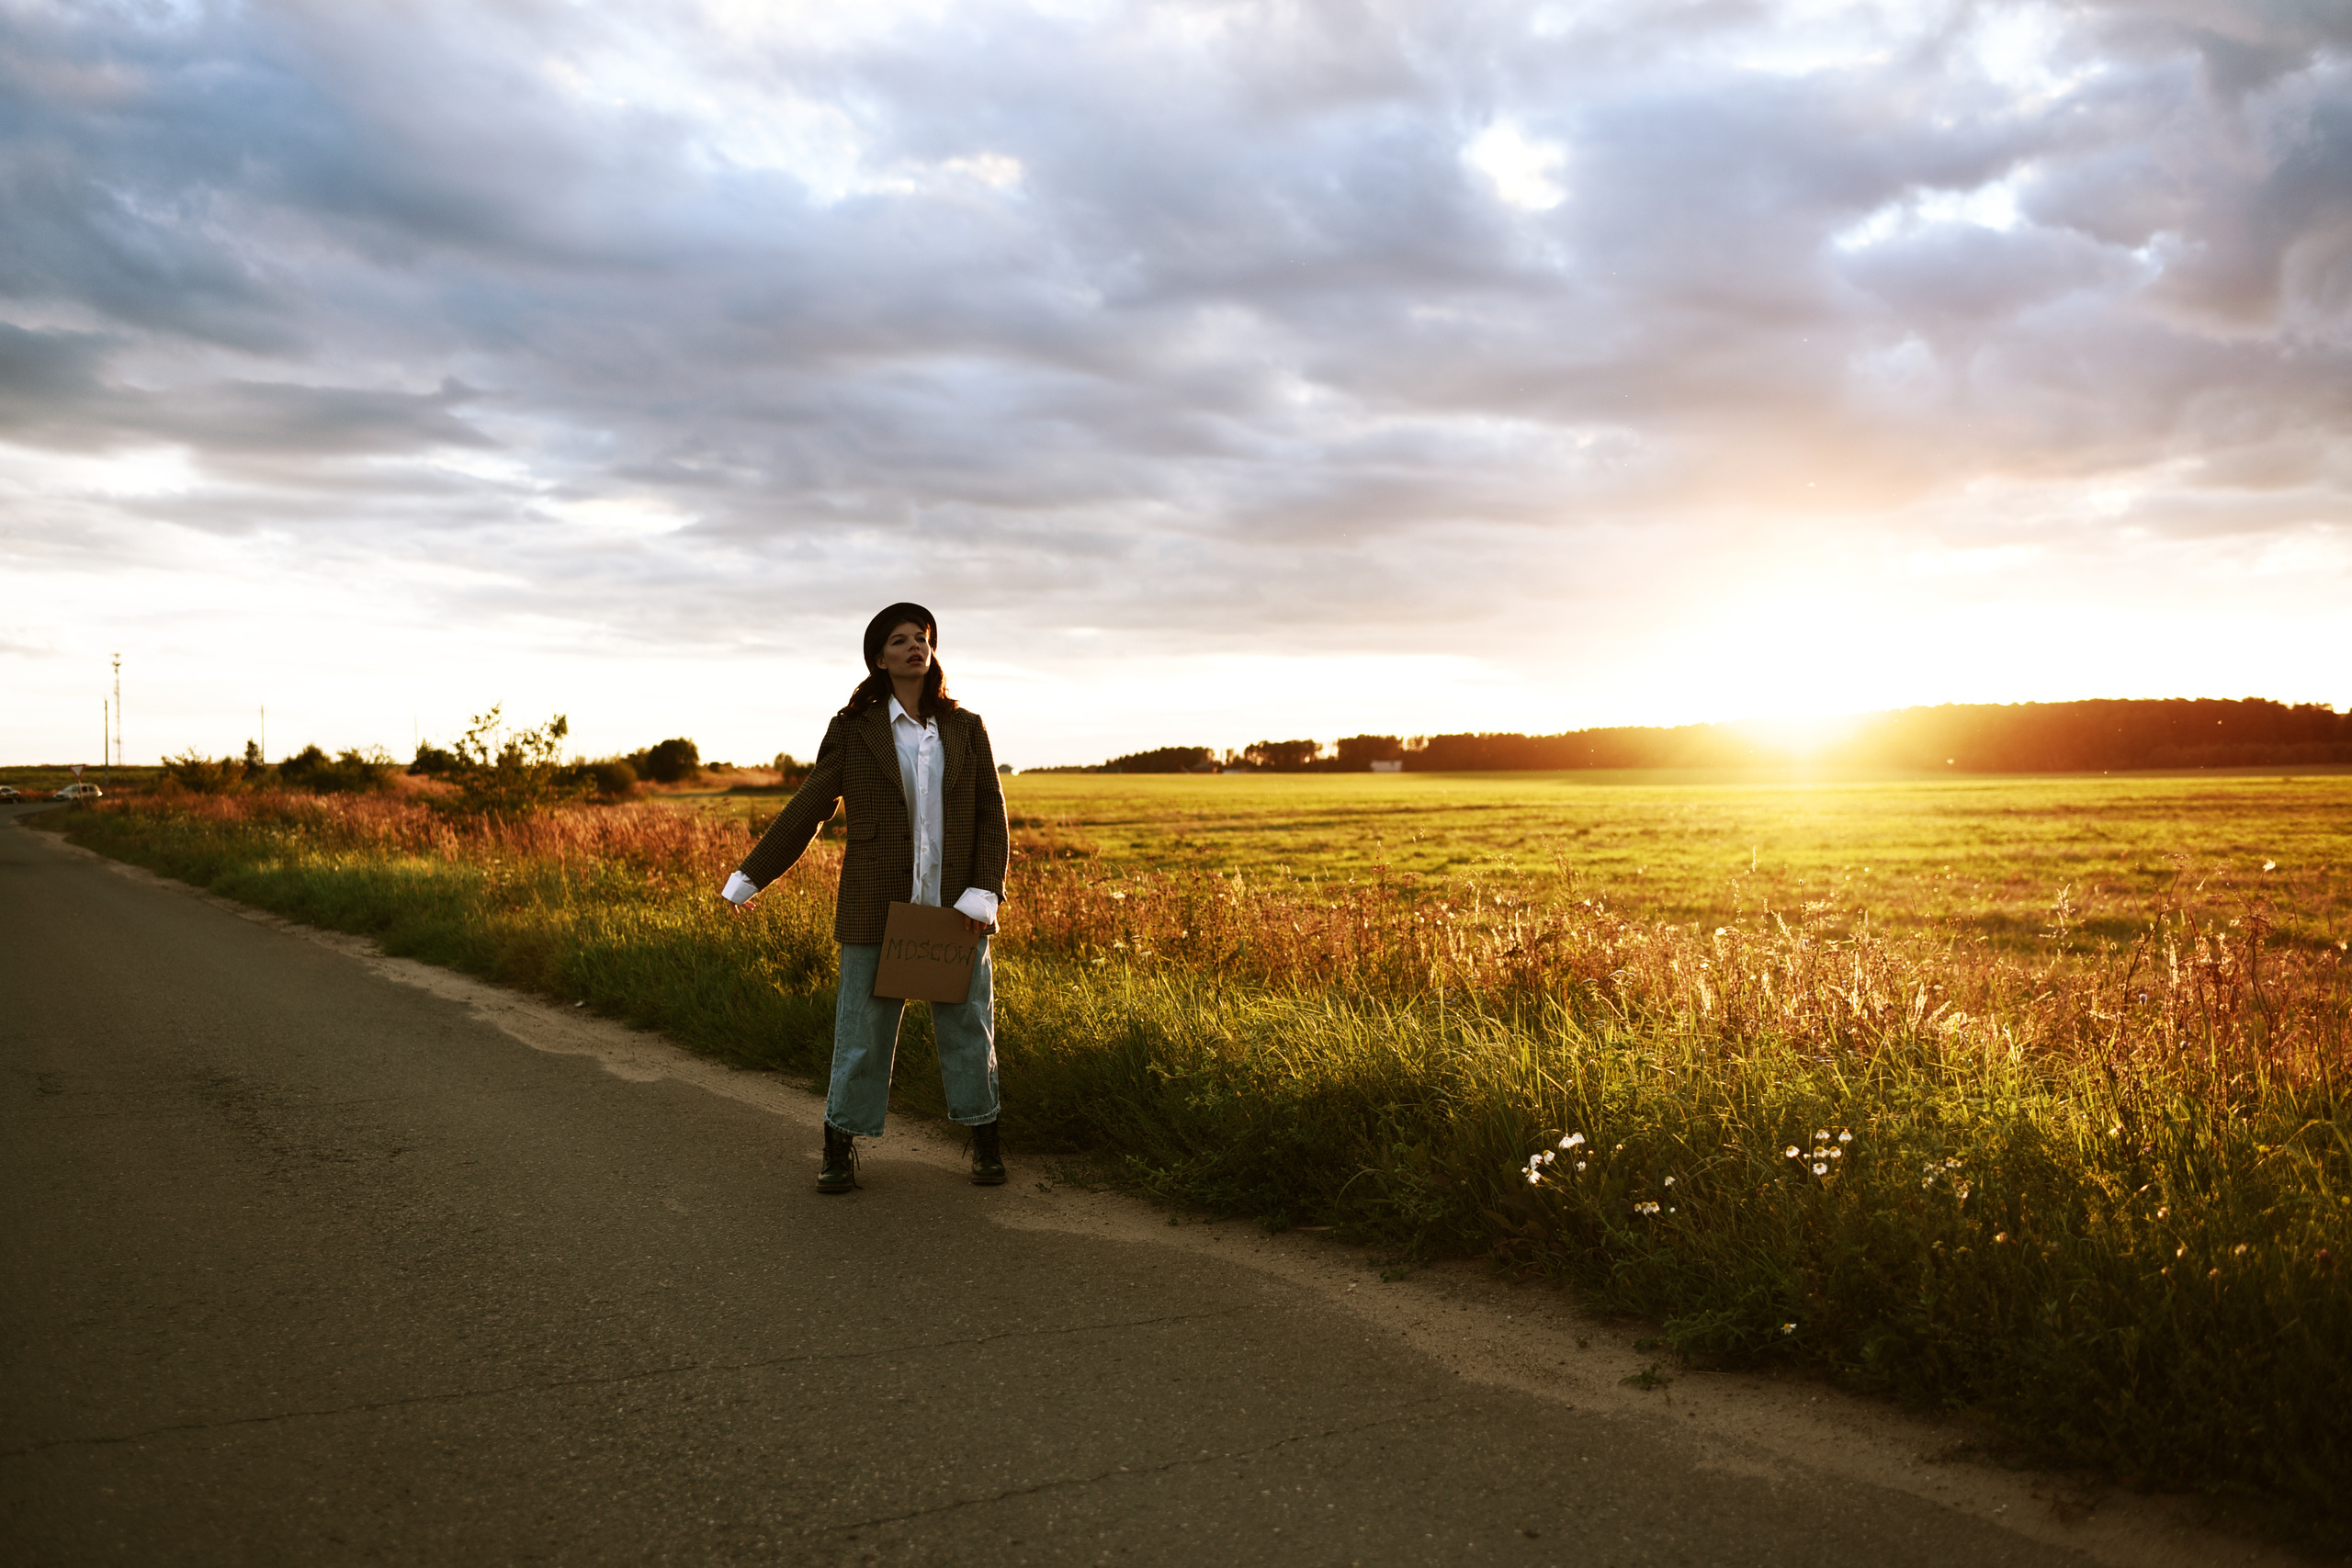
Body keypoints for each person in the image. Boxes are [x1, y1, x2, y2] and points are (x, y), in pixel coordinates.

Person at [718, 604, 1010, 1192]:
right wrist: (750, 876)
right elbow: (810, 807)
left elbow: (991, 820)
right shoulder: (854, 730)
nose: (914, 647)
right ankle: (838, 1146)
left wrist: (984, 892)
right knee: (862, 1035)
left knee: (968, 1030)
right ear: (879, 658)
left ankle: (985, 1140)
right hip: (876, 908)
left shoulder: (967, 728)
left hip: (955, 910)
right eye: (900, 640)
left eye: (922, 638)